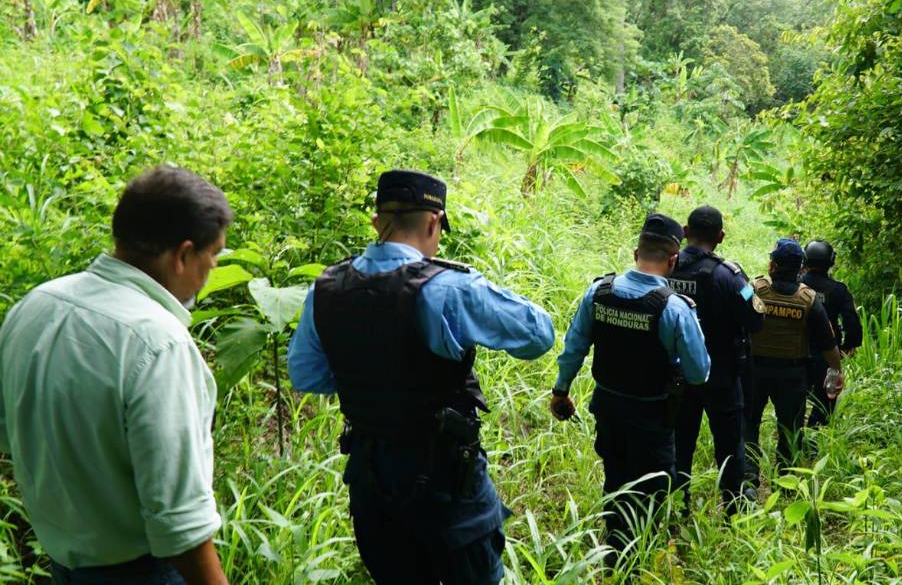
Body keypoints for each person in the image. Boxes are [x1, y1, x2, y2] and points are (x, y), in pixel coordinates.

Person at [287, 170, 555, 585]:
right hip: (446, 478)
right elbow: (539, 335)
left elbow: (306, 374)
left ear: (376, 222)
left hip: (371, 475)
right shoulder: (450, 289)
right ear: (434, 222)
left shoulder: (325, 288)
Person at [0, 166, 232, 585]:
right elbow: (180, 523)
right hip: (141, 571)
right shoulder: (159, 343)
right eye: (212, 255)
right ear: (182, 255)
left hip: (63, 562)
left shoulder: (34, 306)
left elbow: (9, 431)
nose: (212, 268)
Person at [549, 213, 710, 559]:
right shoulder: (675, 308)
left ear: (636, 253)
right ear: (673, 260)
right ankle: (641, 558)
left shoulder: (598, 293)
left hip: (608, 408)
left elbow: (574, 347)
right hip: (653, 415)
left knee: (615, 479)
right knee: (653, 489)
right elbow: (699, 373)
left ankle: (615, 553)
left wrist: (561, 391)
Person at [666, 206, 763, 513]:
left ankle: (677, 508)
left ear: (685, 231)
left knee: (679, 443)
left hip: (678, 374)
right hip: (722, 375)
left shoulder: (666, 268)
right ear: (720, 237)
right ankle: (734, 508)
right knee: (729, 446)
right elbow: (756, 318)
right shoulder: (731, 277)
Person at [744, 239, 843, 485]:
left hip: (755, 370)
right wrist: (836, 370)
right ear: (800, 268)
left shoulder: (754, 289)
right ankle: (786, 481)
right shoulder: (809, 300)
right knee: (790, 429)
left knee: (748, 424)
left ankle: (748, 479)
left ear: (773, 265)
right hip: (792, 374)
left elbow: (736, 316)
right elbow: (827, 343)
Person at [802, 240, 862, 428]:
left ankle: (793, 436)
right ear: (831, 261)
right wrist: (846, 348)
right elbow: (852, 322)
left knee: (795, 397)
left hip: (797, 350)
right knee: (826, 401)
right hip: (828, 352)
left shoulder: (797, 285)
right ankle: (813, 439)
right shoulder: (838, 290)